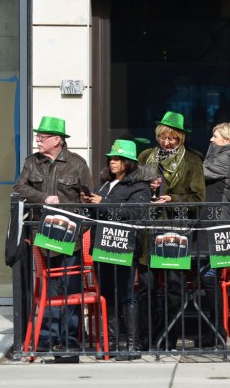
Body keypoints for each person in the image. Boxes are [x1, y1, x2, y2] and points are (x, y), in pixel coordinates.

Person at [14, 116, 94, 363]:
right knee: (49, 289)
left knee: (70, 291)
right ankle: (48, 339)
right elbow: (20, 188)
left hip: (70, 237)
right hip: (42, 236)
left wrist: (76, 228)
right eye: (38, 136)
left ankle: (70, 342)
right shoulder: (31, 163)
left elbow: (88, 201)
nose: (38, 139)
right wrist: (43, 198)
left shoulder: (77, 164)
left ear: (57, 140)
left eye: (43, 136)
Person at [137, 111, 205, 350]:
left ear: (181, 139)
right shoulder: (146, 156)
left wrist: (172, 198)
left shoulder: (192, 160)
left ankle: (167, 338)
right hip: (148, 230)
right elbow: (134, 189)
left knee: (174, 287)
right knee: (147, 286)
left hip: (175, 231)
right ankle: (146, 339)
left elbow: (198, 197)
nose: (167, 142)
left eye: (172, 139)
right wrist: (147, 189)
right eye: (164, 137)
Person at [82, 139, 155, 360]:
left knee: (125, 293)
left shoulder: (139, 186)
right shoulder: (105, 183)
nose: (112, 162)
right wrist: (88, 202)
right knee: (106, 293)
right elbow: (97, 211)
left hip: (124, 245)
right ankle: (111, 343)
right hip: (101, 244)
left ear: (129, 162)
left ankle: (131, 344)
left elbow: (136, 213)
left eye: (117, 159)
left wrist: (103, 203)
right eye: (111, 158)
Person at [197, 122, 230, 347]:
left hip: (217, 224)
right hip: (213, 223)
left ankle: (218, 329)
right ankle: (216, 329)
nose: (210, 139)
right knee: (208, 275)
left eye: (215, 136)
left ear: (226, 139)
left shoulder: (225, 159)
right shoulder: (223, 157)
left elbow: (197, 173)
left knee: (209, 275)